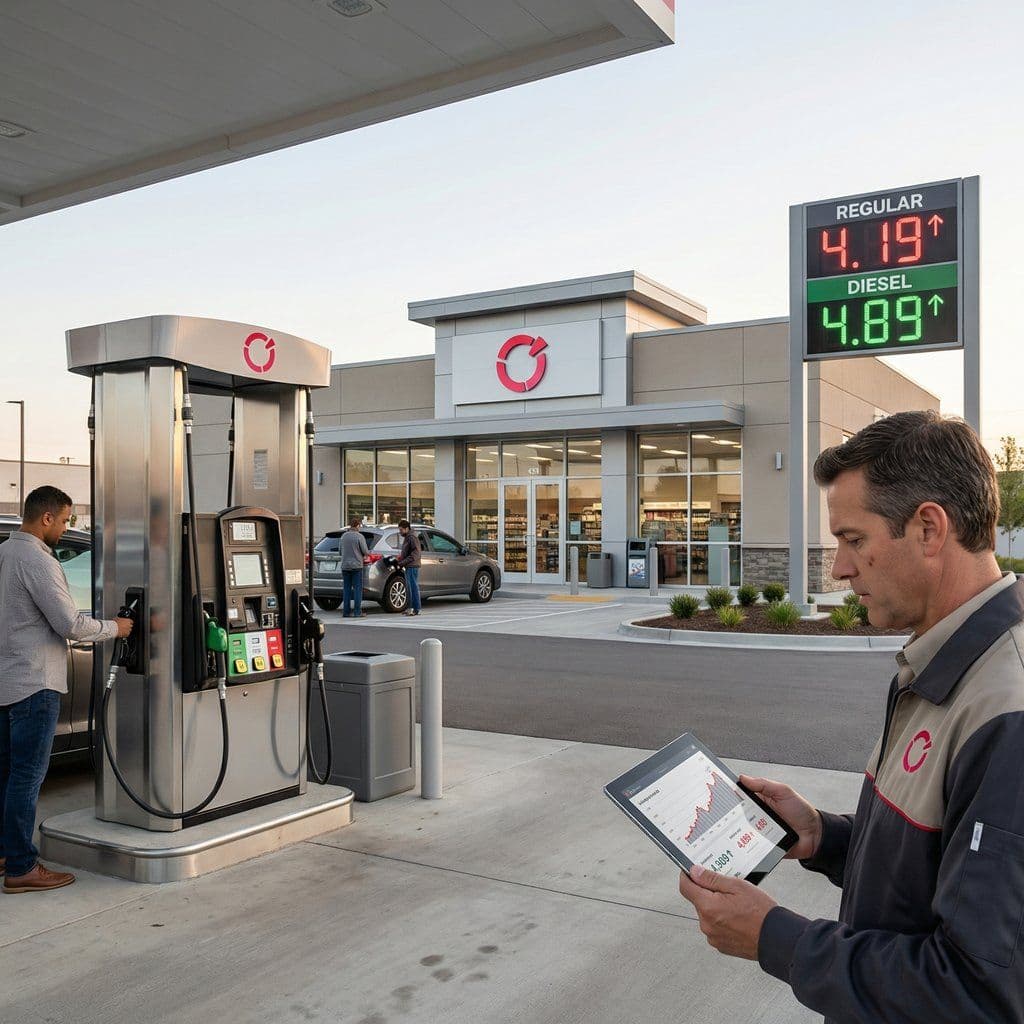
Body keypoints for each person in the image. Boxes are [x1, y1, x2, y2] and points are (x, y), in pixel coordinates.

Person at [677, 410, 1024, 1022]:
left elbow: (978, 994)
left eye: (853, 539)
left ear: (928, 529)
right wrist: (824, 836)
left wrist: (777, 940)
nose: (838, 569)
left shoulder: (1007, 710)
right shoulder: (943, 661)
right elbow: (936, 873)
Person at [0, 486, 132, 894]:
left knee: (7, 775)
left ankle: (6, 854)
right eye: (64, 521)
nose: (64, 528)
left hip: (7, 681)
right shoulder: (36, 560)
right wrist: (117, 628)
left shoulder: (5, 553)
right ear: (46, 518)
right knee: (27, 777)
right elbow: (70, 624)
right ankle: (22, 867)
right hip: (36, 683)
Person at [340, 517, 369, 618]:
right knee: (357, 589)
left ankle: (346, 612)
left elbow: (340, 551)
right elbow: (365, 551)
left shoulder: (343, 536)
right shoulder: (359, 537)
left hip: (345, 566)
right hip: (357, 566)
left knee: (346, 589)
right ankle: (357, 612)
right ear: (357, 525)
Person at [395, 519, 421, 616]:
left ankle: (415, 608)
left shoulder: (412, 537)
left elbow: (415, 554)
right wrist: (400, 560)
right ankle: (410, 608)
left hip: (412, 566)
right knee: (410, 588)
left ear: (407, 528)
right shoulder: (408, 537)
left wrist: (402, 562)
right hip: (409, 565)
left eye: (401, 530)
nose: (400, 532)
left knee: (412, 588)